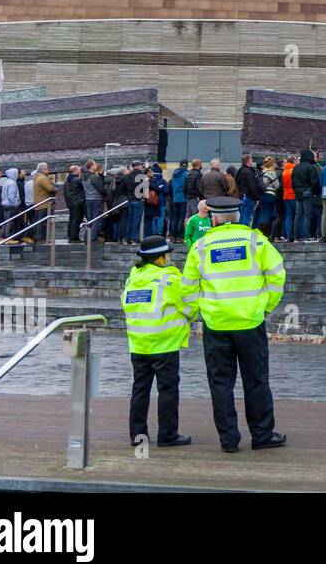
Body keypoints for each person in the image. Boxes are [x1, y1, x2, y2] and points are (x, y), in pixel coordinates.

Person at [182, 195, 287, 452]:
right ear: (240, 217)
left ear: (214, 219)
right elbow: (277, 276)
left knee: (220, 383)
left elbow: (187, 289)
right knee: (256, 380)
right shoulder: (256, 240)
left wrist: (202, 310)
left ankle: (228, 440)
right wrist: (266, 307)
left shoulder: (201, 246)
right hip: (250, 322)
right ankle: (262, 436)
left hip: (216, 324)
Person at [122, 234, 193, 448]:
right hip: (164, 344)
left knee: (140, 389)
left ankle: (137, 435)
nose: (169, 259)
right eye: (166, 255)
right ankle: (168, 435)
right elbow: (190, 305)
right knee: (168, 390)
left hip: (138, 344)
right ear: (160, 258)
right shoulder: (170, 279)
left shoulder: (132, 279)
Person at [292, 149, 320, 241]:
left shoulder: (296, 167)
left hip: (298, 193)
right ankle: (306, 235)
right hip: (308, 193)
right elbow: (315, 182)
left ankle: (296, 235)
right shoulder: (311, 167)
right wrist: (315, 192)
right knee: (307, 215)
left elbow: (293, 182)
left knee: (298, 215)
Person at [235, 154, 262, 227]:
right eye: (251, 159)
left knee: (242, 217)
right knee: (247, 218)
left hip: (241, 196)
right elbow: (252, 186)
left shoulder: (240, 171)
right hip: (249, 197)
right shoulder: (249, 172)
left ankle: (240, 234)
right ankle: (244, 234)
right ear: (248, 160)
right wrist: (257, 197)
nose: (252, 161)